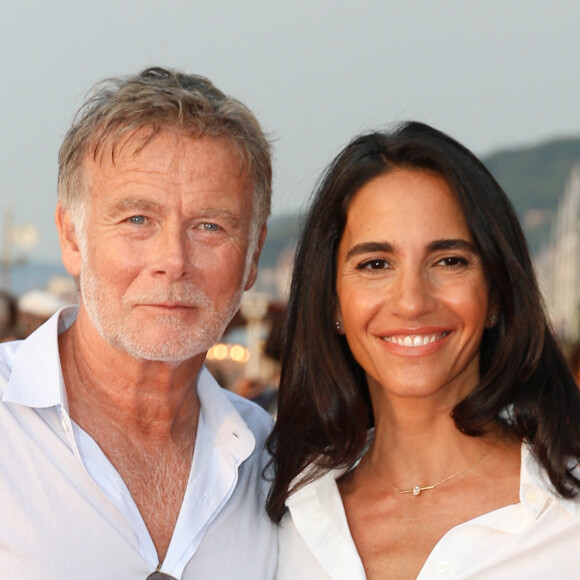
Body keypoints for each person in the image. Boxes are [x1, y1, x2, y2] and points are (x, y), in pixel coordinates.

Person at [267, 122, 580, 579]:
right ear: (332, 301)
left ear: (495, 293)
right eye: (375, 264)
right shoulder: (282, 519)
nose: (412, 301)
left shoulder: (566, 515)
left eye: (449, 261)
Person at [0, 67, 277, 579]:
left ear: (253, 255)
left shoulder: (276, 469)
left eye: (209, 226)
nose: (173, 259)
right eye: (137, 220)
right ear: (72, 238)